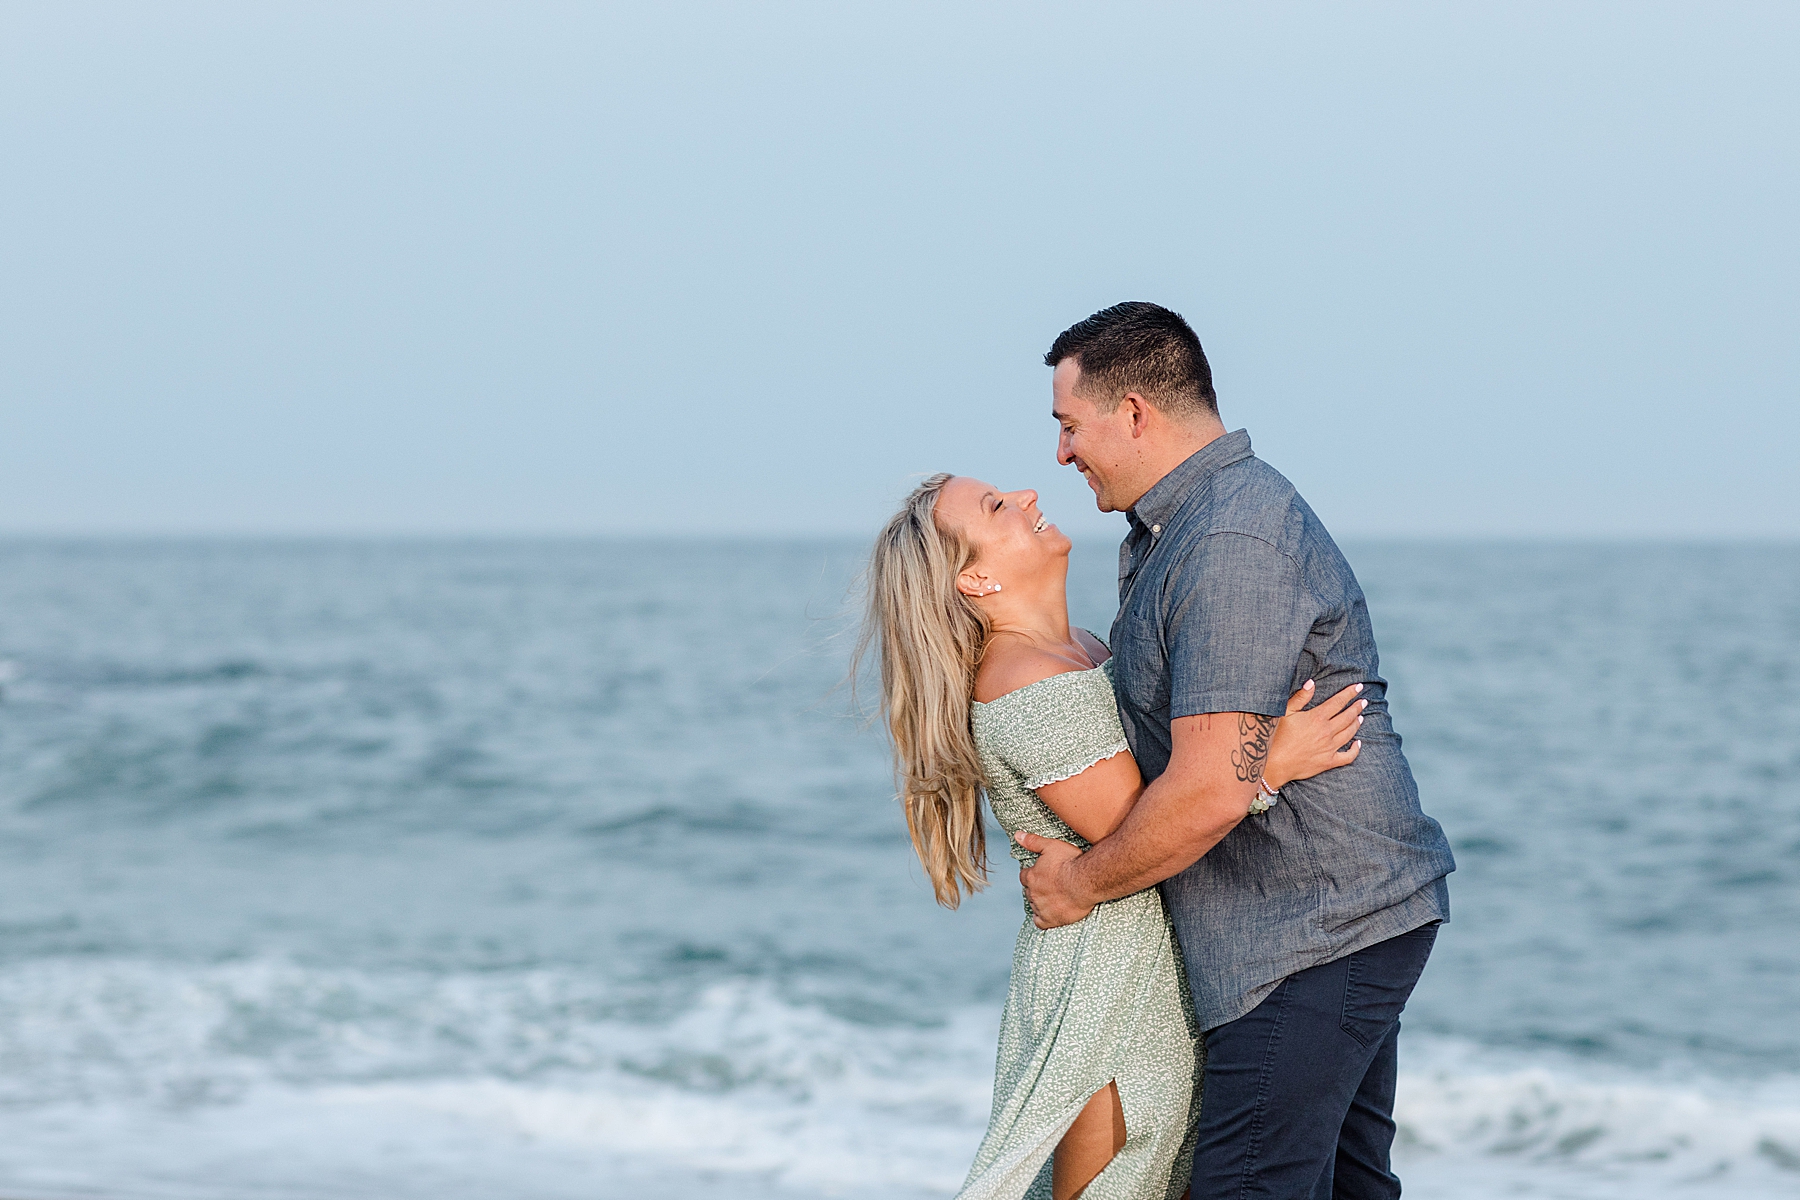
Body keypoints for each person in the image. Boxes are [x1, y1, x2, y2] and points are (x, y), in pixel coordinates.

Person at [1016, 302, 1457, 1199]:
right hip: (1328, 919)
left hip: (1315, 928)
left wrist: (1081, 883)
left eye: (1070, 425)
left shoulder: (1228, 539)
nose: (1062, 454)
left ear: (1134, 411)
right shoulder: (1175, 529)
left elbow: (1214, 786)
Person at [859, 473, 1367, 1200]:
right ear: (973, 578)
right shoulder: (1019, 682)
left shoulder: (1084, 647)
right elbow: (1143, 827)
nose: (1029, 495)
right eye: (997, 507)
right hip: (1104, 990)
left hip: (1154, 962)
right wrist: (1270, 762)